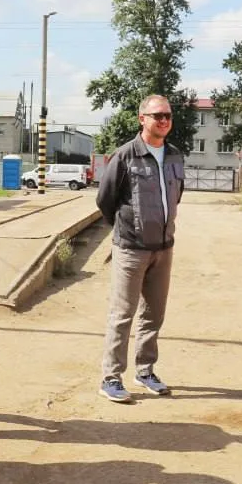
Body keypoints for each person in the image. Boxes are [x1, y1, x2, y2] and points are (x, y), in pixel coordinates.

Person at [95, 94, 185, 403]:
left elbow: (175, 196)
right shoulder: (125, 156)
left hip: (164, 247)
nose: (163, 120)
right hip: (131, 249)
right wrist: (128, 228)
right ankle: (111, 377)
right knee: (123, 314)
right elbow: (105, 200)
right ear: (141, 118)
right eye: (157, 115)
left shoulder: (174, 156)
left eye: (168, 116)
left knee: (154, 314)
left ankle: (145, 370)